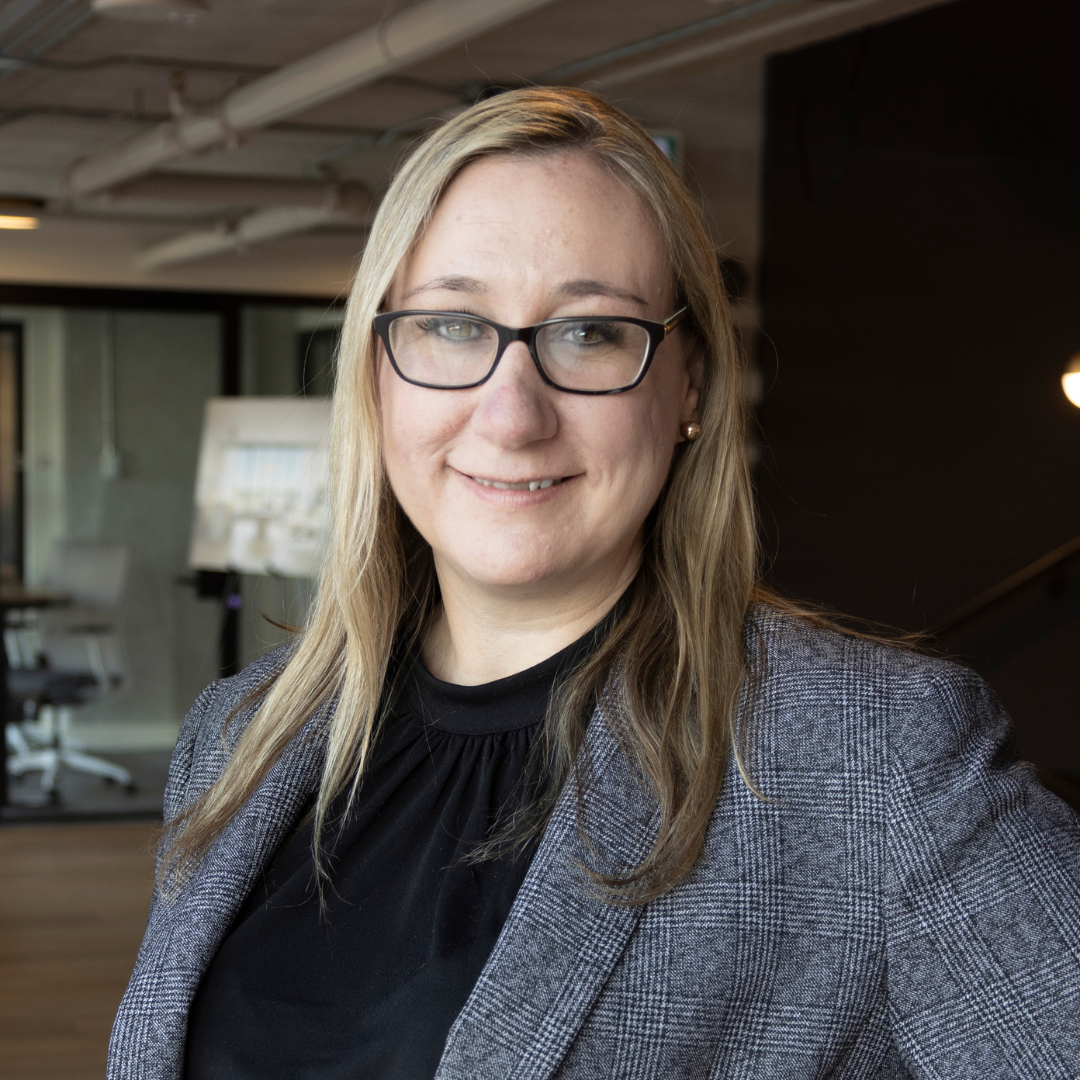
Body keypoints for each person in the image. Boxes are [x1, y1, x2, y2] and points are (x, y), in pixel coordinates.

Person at [108, 87, 1080, 1080]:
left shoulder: (872, 759)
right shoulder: (240, 733)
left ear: (689, 383)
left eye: (590, 334)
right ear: (377, 372)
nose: (511, 414)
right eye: (452, 325)